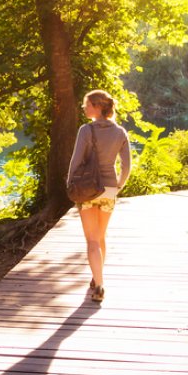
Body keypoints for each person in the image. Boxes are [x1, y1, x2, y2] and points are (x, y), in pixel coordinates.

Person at [68, 89, 131, 302]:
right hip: (109, 190)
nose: (84, 107)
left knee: (92, 240)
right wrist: (118, 186)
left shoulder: (86, 130)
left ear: (97, 106)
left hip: (87, 190)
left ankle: (100, 285)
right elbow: (126, 165)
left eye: (87, 104)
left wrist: (70, 184)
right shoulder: (120, 132)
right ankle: (97, 278)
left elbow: (76, 161)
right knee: (101, 236)